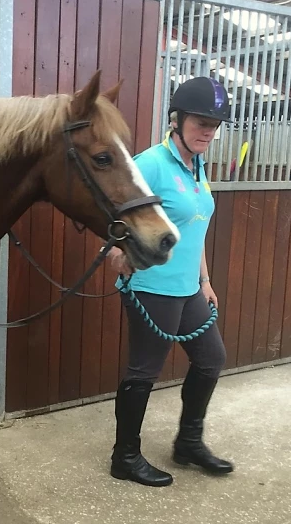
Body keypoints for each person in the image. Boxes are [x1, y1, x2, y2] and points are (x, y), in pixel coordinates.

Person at [107, 77, 234, 487]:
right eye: (201, 122)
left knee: (211, 360)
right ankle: (125, 457)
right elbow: (114, 208)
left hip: (189, 289)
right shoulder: (150, 164)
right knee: (143, 372)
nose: (208, 132)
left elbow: (192, 226)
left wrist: (205, 279)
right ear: (176, 120)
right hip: (152, 287)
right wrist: (117, 248)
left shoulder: (198, 166)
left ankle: (188, 443)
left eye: (215, 125)